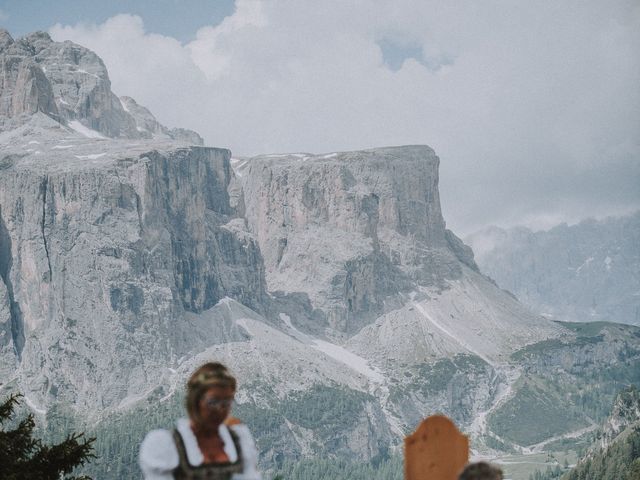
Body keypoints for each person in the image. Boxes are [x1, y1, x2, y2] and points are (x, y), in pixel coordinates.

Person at [140, 362, 261, 479]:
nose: (220, 410)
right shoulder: (168, 445)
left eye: (227, 402)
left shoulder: (238, 440)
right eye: (213, 402)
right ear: (195, 401)